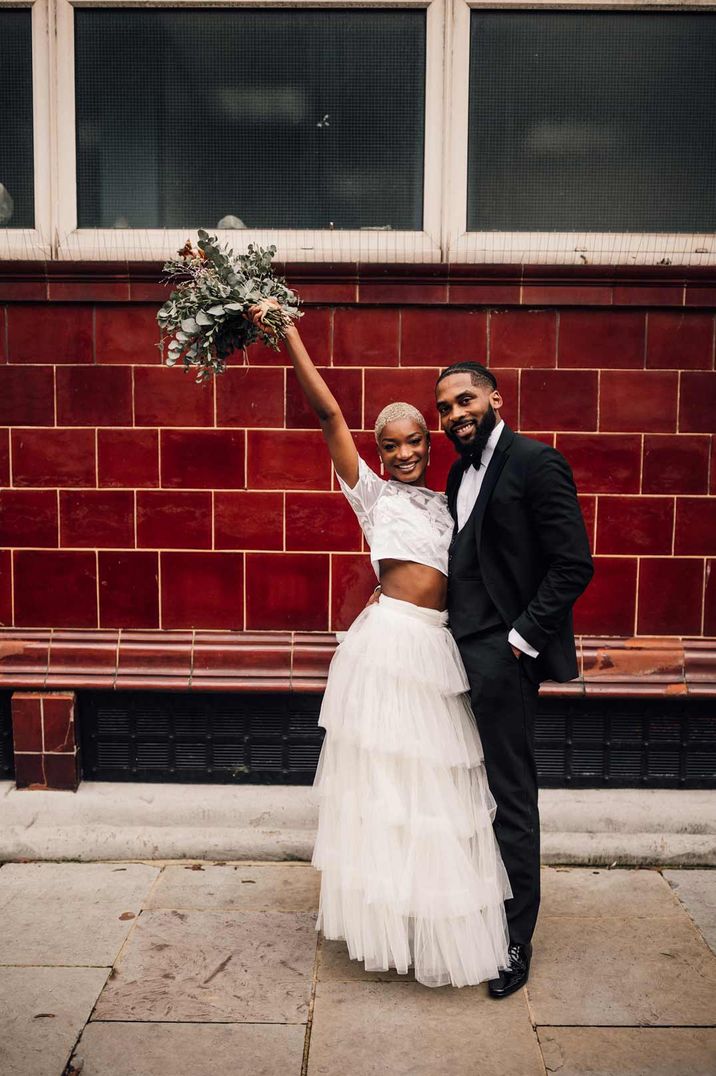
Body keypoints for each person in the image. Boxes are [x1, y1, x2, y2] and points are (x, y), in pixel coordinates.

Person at [248, 306, 511, 988]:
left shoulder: (454, 499)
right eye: (390, 445)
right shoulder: (372, 498)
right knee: (390, 794)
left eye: (413, 442)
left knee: (438, 794)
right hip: (389, 648)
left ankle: (436, 922)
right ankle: (391, 922)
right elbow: (329, 416)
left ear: (430, 443)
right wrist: (288, 333)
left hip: (437, 652)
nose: (402, 454)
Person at [435, 361, 594, 998]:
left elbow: (572, 564)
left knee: (510, 797)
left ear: (496, 397)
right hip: (451, 653)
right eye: (445, 407)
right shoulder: (454, 473)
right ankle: (470, 911)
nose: (454, 415)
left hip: (505, 657)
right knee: (461, 792)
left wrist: (519, 641)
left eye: (465, 399)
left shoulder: (537, 462)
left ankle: (514, 941)